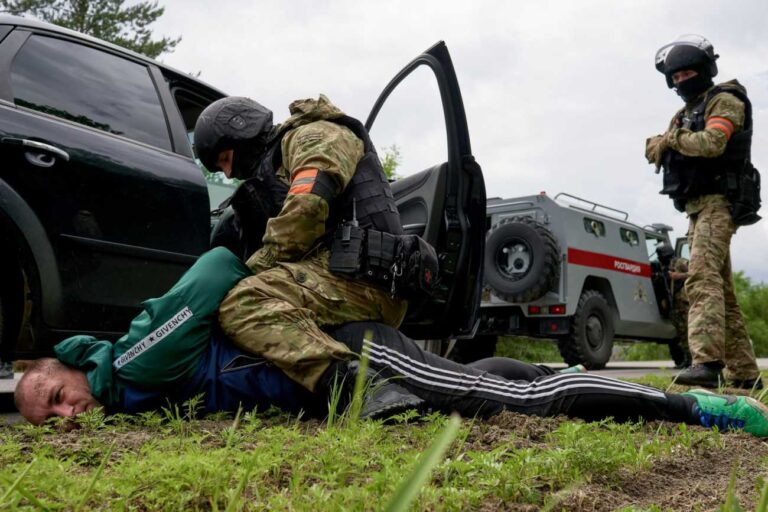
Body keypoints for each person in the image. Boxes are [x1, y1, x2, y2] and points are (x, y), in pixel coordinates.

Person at [14, 248, 768, 438]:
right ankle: (528, 373)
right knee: (480, 386)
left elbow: (214, 271)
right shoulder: (127, 398)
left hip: (351, 356)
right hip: (347, 379)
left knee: (524, 402)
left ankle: (699, 408)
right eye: (55, 423)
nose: (70, 415)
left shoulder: (129, 364)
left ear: (66, 371)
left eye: (58, 398)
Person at [194, 95, 415, 397]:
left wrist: (245, 274)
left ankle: (355, 387)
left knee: (243, 301)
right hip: (338, 274)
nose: (230, 174)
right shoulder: (279, 160)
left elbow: (306, 210)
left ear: (240, 129)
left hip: (365, 279)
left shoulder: (317, 135)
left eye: (226, 160)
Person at [647, 34, 762, 389]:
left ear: (705, 70)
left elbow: (712, 143)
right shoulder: (685, 113)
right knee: (721, 290)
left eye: (688, 73)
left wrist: (671, 140)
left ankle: (707, 363)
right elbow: (651, 149)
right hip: (697, 208)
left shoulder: (725, 101)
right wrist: (668, 141)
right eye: (676, 77)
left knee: (700, 279)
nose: (682, 81)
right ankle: (744, 374)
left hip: (719, 203)